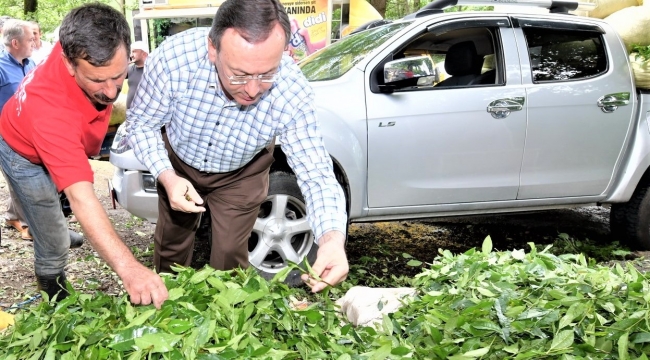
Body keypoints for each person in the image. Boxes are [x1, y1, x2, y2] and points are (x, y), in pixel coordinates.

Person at [126, 0, 348, 293]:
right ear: (213, 49)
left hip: (241, 173)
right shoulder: (173, 61)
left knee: (230, 257)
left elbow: (316, 171)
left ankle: (224, 326)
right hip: (178, 165)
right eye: (239, 75)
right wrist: (167, 176)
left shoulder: (292, 91)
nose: (253, 90)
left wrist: (332, 240)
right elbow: (141, 124)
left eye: (267, 74)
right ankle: (166, 313)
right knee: (171, 246)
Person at [0, 3, 168, 307]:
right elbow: (82, 197)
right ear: (67, 62)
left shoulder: (85, 35)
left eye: (117, 76)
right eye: (96, 81)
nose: (109, 92)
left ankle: (58, 229)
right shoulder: (51, 113)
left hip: (52, 135)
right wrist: (129, 268)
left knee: (54, 205)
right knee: (48, 225)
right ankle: (54, 289)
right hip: (21, 151)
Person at [1, 19, 35, 241]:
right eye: (30, 39)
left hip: (28, 132)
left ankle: (13, 215)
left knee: (25, 175)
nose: (34, 42)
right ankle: (27, 225)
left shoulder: (30, 64)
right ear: (15, 42)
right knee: (18, 176)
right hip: (5, 134)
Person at [125, 40, 148, 109]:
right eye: (131, 52)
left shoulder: (152, 70)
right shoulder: (129, 69)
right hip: (131, 113)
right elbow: (114, 75)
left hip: (147, 114)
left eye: (134, 51)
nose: (131, 55)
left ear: (144, 54)